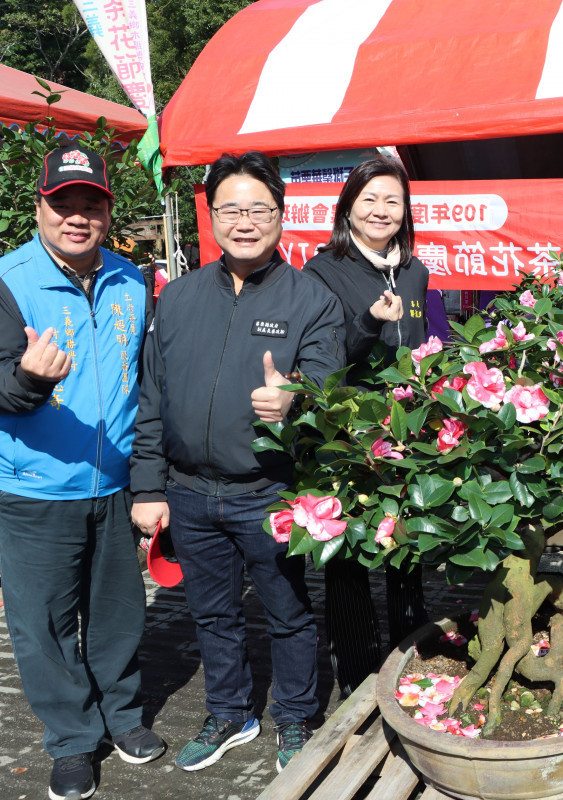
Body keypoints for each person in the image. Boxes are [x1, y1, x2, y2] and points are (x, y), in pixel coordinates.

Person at [130, 151, 344, 774]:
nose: (245, 221)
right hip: (190, 492)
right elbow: (152, 399)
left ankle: (297, 719)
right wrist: (149, 485)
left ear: (282, 216)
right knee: (212, 613)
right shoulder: (178, 298)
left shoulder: (312, 299)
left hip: (268, 492)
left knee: (288, 613)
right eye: (231, 208)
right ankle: (230, 714)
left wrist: (295, 400)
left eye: (259, 208)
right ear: (212, 214)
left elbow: (331, 397)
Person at [0, 143, 164, 800]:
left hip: (113, 485)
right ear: (40, 207)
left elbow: (144, 380)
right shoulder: (2, 282)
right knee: (44, 626)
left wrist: (147, 476)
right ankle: (73, 740)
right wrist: (26, 378)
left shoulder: (131, 279)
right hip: (32, 491)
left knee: (118, 614)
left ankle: (124, 718)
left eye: (90, 205)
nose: (77, 217)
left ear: (107, 211)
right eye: (64, 204)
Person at [302, 156, 430, 697]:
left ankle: (414, 660)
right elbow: (327, 362)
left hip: (409, 433)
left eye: (392, 201)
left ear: (405, 212)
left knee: (408, 550)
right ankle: (355, 678)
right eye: (369, 199)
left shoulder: (416, 271)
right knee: (349, 558)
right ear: (348, 205)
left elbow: (426, 343)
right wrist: (371, 323)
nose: (381, 210)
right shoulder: (322, 271)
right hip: (349, 439)